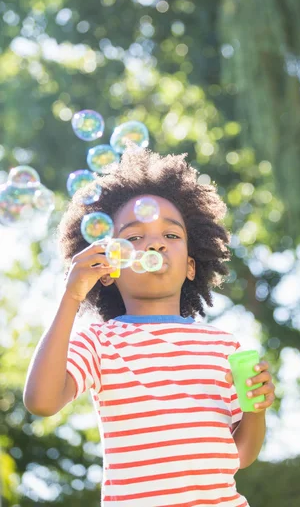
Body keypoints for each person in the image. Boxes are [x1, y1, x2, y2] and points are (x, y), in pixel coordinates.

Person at [23, 148, 275, 507]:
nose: (155, 243)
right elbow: (41, 401)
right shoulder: (99, 342)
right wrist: (71, 295)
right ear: (108, 268)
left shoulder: (222, 347)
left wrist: (256, 409)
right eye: (135, 237)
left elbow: (240, 455)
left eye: (171, 236)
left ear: (191, 266)